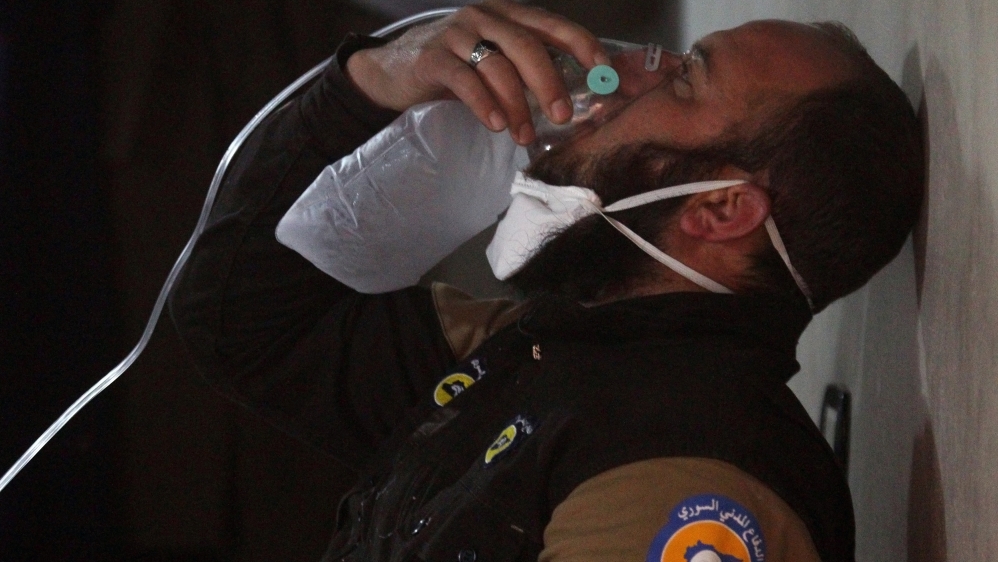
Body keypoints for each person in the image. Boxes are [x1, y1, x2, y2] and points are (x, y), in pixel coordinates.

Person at [169, 1, 923, 561]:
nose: (626, 76)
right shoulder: (540, 350)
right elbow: (242, 322)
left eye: (685, 82)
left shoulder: (691, 467)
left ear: (720, 209)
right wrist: (371, 82)